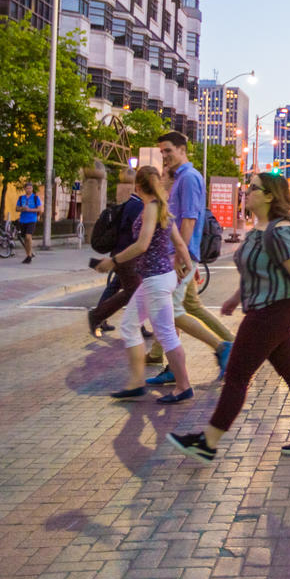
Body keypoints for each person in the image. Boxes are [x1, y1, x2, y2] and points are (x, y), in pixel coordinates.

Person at [169, 173, 290, 461]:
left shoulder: (281, 231)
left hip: (271, 313)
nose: (247, 192)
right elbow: (255, 272)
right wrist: (235, 298)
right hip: (265, 310)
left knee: (236, 376)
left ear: (270, 196)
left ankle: (208, 442)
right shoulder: (260, 229)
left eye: (253, 188)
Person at [95, 166, 194, 403]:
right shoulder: (162, 208)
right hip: (156, 278)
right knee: (130, 326)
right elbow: (179, 243)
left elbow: (142, 244)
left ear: (137, 186)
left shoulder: (151, 208)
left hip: (156, 280)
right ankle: (136, 383)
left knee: (167, 333)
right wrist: (188, 266)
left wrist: (113, 261)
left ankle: (183, 386)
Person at [145, 132, 233, 383]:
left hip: (181, 255)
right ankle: (171, 362)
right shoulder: (179, 178)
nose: (165, 156)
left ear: (183, 149)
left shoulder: (190, 178)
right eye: (162, 152)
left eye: (169, 151)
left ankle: (222, 347)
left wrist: (181, 255)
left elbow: (189, 219)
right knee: (189, 306)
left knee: (171, 310)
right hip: (178, 253)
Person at [87, 181, 144, 338]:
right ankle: (98, 315)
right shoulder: (137, 206)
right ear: (139, 188)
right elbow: (139, 236)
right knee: (135, 292)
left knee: (122, 288)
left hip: (124, 256)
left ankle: (101, 317)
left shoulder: (132, 204)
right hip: (127, 256)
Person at [15, 183, 42, 263]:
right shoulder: (21, 198)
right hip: (23, 220)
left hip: (32, 220)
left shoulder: (35, 198)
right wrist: (23, 208)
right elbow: (16, 208)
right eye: (27, 188)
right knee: (25, 239)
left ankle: (29, 256)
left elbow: (39, 209)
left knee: (28, 236)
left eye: (30, 188)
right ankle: (28, 255)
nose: (29, 190)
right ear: (25, 189)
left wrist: (30, 210)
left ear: (32, 189)